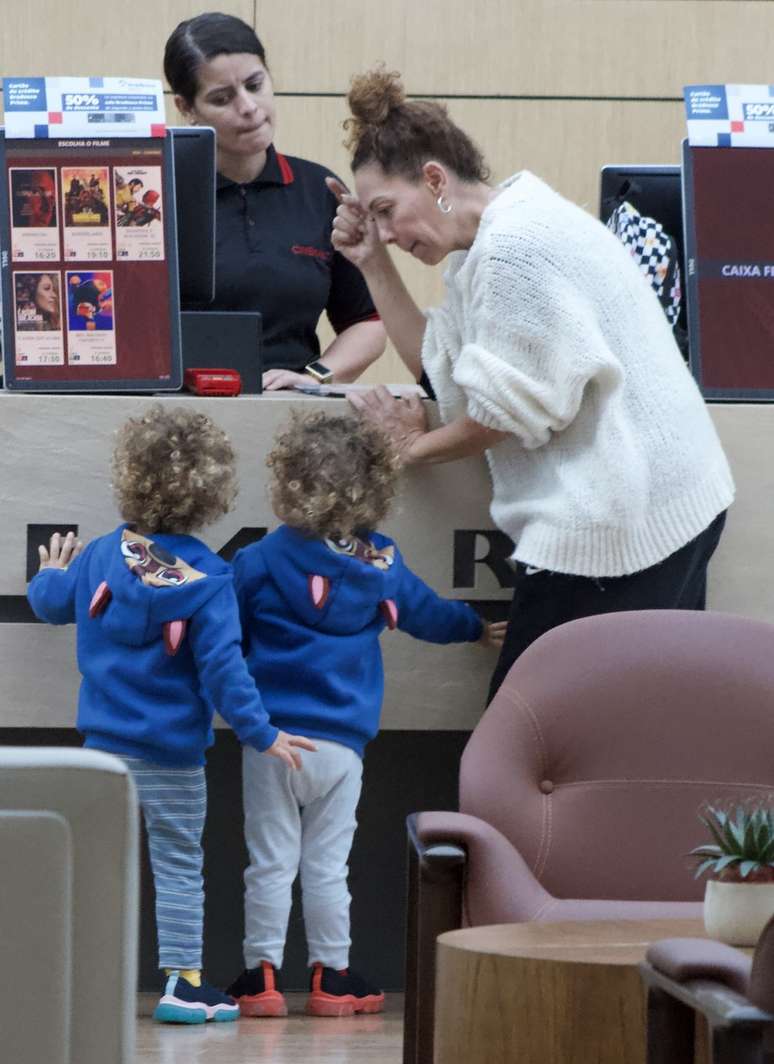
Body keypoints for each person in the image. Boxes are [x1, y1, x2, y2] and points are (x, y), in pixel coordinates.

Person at [329, 67, 735, 703]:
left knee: (529, 738)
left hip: (627, 521)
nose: (385, 231)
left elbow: (506, 416)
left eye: (386, 212)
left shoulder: (515, 248)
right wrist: (373, 265)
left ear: (434, 179)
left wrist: (409, 448)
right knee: (592, 738)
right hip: (652, 506)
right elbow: (434, 368)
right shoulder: (490, 240)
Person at [26, 405, 316, 1025]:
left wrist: (48, 572)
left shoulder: (101, 555)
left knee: (94, 870)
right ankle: (182, 986)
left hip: (101, 755)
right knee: (179, 868)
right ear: (213, 494)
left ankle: (73, 983)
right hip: (174, 759)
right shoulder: (212, 579)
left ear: (129, 477)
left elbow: (52, 605)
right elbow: (224, 670)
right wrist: (262, 734)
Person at [225, 411, 505, 1017]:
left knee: (269, 860)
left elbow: (225, 635)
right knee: (328, 865)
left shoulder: (255, 561)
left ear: (287, 482)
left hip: (269, 738)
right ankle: (333, 978)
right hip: (341, 747)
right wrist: (477, 628)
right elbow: (429, 612)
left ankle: (262, 978)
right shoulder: (381, 564)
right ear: (374, 486)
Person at [163, 12, 386, 390]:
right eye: (222, 98)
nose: (248, 107)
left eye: (255, 84)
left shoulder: (320, 189)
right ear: (186, 108)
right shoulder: (156, 194)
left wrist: (312, 377)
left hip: (290, 410)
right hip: (176, 410)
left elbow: (368, 321)